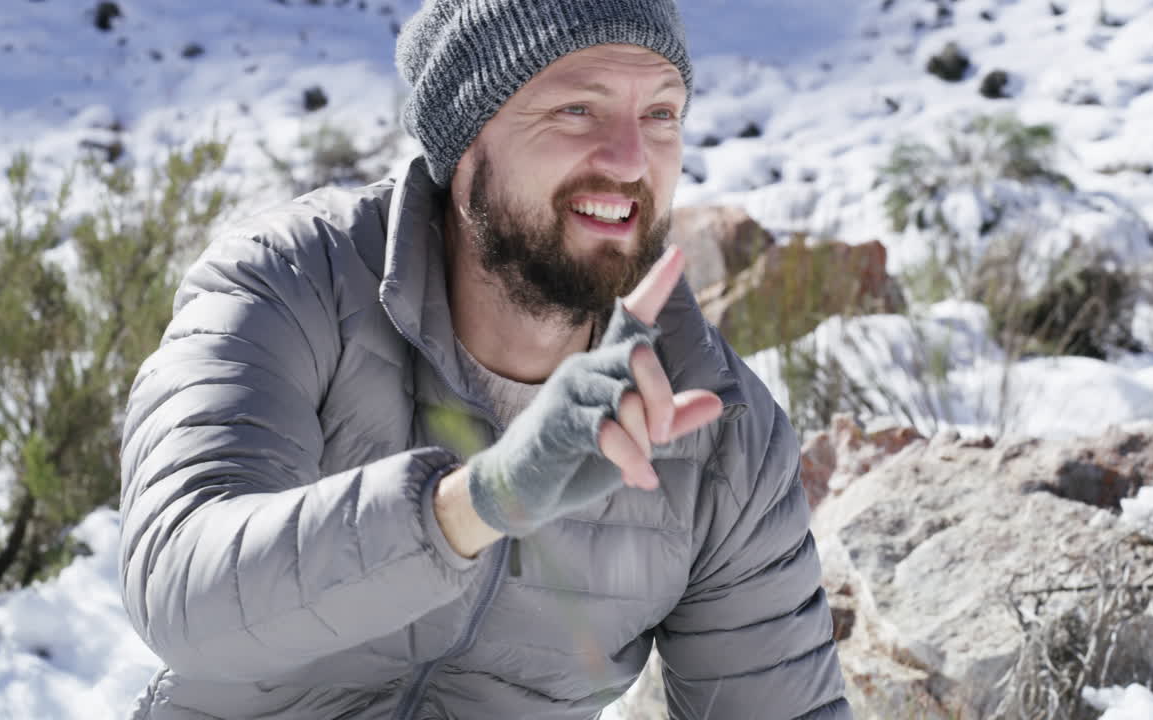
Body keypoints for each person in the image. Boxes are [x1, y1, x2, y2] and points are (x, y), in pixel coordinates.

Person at [118, 1, 851, 718]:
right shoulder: (293, 282)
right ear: (467, 143)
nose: (631, 161)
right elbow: (182, 592)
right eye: (577, 111)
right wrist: (480, 501)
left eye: (660, 114)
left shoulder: (718, 424)